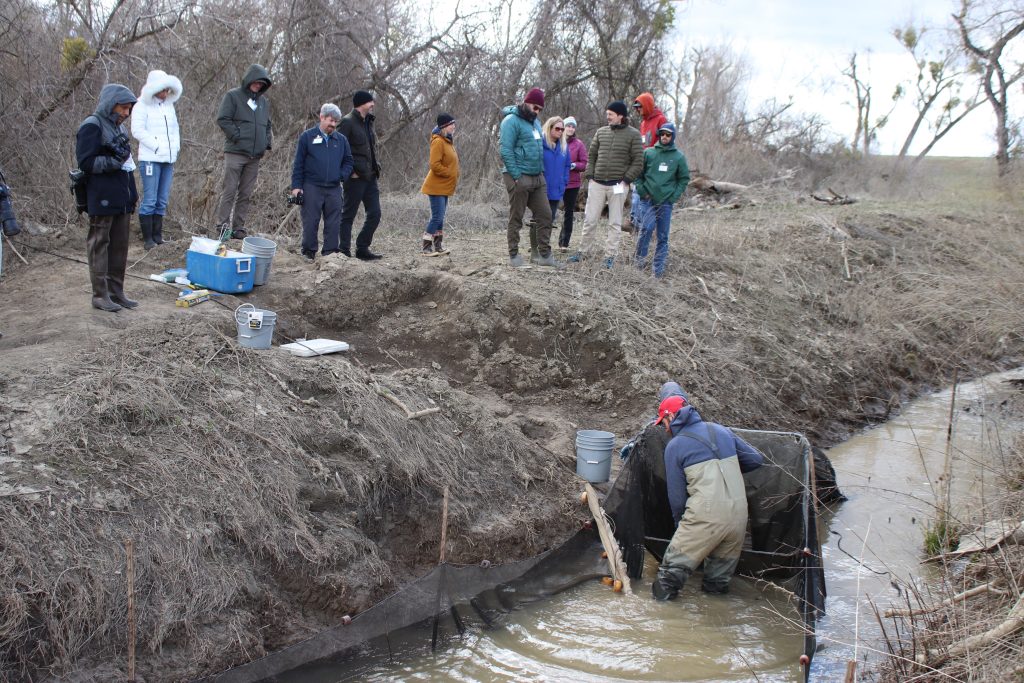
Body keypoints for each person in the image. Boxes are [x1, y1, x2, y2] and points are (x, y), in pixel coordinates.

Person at [652, 388, 765, 600]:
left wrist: (681, 529)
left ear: (671, 416)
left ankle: (662, 624)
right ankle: (715, 623)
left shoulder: (675, 446)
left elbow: (677, 499)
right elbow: (756, 459)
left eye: (663, 422)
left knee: (668, 580)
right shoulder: (721, 431)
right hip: (739, 517)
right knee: (717, 587)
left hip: (705, 517)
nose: (664, 428)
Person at [76, 83, 139, 312]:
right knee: (99, 244)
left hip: (121, 197)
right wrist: (113, 162)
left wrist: (132, 194)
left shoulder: (119, 129)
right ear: (111, 104)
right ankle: (100, 295)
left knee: (120, 246)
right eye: (123, 108)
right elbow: (85, 162)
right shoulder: (92, 125)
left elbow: (127, 164)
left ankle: (116, 291)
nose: (126, 113)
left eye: (128, 109)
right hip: (101, 195)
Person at [568, 101, 643, 268]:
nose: (607, 117)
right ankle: (583, 252)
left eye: (610, 114)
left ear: (620, 116)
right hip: (597, 184)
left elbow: (638, 161)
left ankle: (610, 257)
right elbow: (592, 156)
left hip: (618, 185)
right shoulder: (601, 132)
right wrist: (590, 176)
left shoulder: (634, 134)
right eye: (607, 114)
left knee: (614, 222)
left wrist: (625, 181)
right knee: (590, 219)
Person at [498, 88, 558, 268]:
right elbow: (505, 150)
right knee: (517, 216)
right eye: (535, 107)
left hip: (537, 176)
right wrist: (516, 176)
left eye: (540, 109)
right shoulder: (510, 121)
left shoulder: (536, 123)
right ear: (526, 102)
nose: (537, 111)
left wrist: (541, 172)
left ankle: (544, 255)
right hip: (517, 175)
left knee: (546, 215)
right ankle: (514, 255)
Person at [215, 64, 273, 240]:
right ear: (249, 80)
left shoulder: (263, 102)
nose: (258, 86)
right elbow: (223, 119)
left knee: (246, 193)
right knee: (230, 190)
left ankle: (239, 228)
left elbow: (267, 124)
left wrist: (266, 143)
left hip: (255, 156)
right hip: (236, 153)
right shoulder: (233, 96)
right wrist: (238, 136)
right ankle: (222, 228)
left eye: (261, 84)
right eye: (256, 82)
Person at [291, 103, 354, 262]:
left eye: (335, 122)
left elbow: (348, 161)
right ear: (322, 117)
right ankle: (308, 252)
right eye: (330, 120)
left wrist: (341, 175)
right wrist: (296, 187)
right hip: (311, 186)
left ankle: (330, 253)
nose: (333, 125)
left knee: (333, 222)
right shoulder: (307, 137)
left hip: (333, 188)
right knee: (311, 221)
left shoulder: (341, 140)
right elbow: (298, 164)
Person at [131, 69, 182, 250]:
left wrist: (175, 147)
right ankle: (148, 239)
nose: (165, 93)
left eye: (168, 89)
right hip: (150, 158)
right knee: (150, 199)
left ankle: (158, 237)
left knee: (162, 199)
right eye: (162, 89)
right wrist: (156, 145)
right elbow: (137, 130)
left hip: (168, 159)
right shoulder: (141, 105)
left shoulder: (169, 106)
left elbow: (175, 129)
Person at [633, 122, 689, 278]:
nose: (664, 137)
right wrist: (642, 191)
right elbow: (638, 175)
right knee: (647, 228)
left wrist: (673, 196)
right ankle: (638, 263)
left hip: (665, 202)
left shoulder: (678, 157)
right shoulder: (649, 153)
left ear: (673, 137)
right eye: (662, 134)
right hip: (647, 200)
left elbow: (684, 179)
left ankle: (657, 271)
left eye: (668, 134)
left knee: (663, 236)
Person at [338, 90, 383, 260]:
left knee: (375, 214)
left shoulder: (368, 122)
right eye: (370, 102)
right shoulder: (347, 122)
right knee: (348, 215)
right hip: (355, 178)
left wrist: (376, 166)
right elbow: (339, 149)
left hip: (370, 177)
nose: (372, 105)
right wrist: (350, 172)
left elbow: (371, 149)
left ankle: (362, 248)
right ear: (361, 103)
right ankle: (344, 251)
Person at [419, 113, 459, 256]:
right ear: (444, 126)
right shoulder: (438, 141)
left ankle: (438, 246)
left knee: (440, 217)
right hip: (436, 186)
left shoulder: (447, 141)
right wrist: (449, 172)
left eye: (453, 124)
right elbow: (434, 165)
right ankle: (426, 247)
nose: (454, 126)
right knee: (437, 216)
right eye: (451, 124)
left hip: (444, 186)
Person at [630, 93, 669, 230]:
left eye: (639, 107)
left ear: (646, 106)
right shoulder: (643, 123)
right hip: (642, 162)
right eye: (636, 108)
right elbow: (643, 143)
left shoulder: (661, 119)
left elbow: (666, 141)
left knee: (650, 196)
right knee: (637, 192)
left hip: (655, 163)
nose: (637, 110)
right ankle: (636, 224)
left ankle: (648, 227)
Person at [535, 116, 570, 259]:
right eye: (557, 128)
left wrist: (564, 182)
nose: (560, 131)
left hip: (556, 190)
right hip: (541, 189)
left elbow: (567, 166)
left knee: (550, 219)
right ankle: (536, 249)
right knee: (540, 219)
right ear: (549, 128)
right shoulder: (540, 144)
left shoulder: (564, 147)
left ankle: (544, 249)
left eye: (562, 129)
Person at [559, 116, 588, 252]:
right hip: (556, 181)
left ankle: (564, 243)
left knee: (568, 212)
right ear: (563, 127)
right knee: (549, 211)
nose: (570, 128)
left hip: (572, 183)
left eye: (573, 126)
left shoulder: (579, 144)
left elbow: (584, 164)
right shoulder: (556, 141)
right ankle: (542, 241)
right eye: (568, 126)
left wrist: (574, 165)